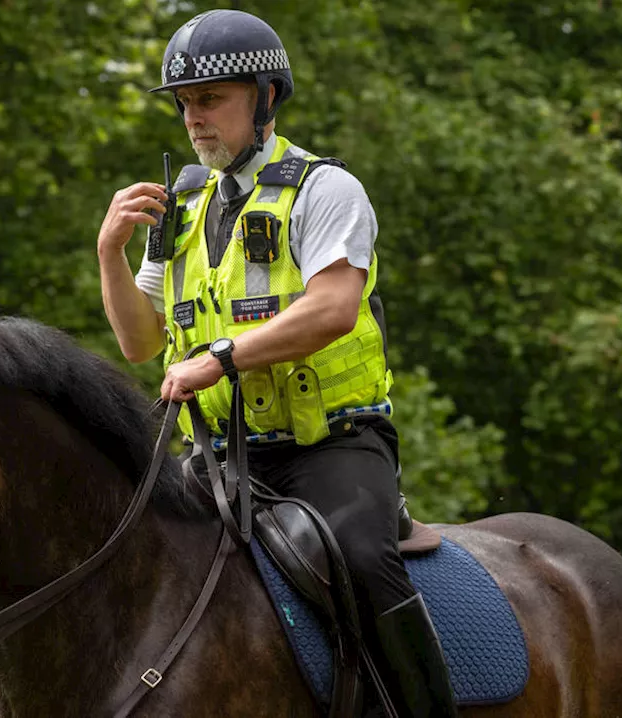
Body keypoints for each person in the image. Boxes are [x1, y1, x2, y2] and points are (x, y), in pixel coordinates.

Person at [96, 9, 459, 717]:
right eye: (184, 105)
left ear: (264, 97)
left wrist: (219, 360)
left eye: (210, 99)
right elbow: (139, 343)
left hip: (332, 446)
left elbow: (332, 309)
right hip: (218, 455)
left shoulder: (324, 190)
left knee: (361, 558)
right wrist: (109, 253)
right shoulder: (185, 208)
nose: (193, 119)